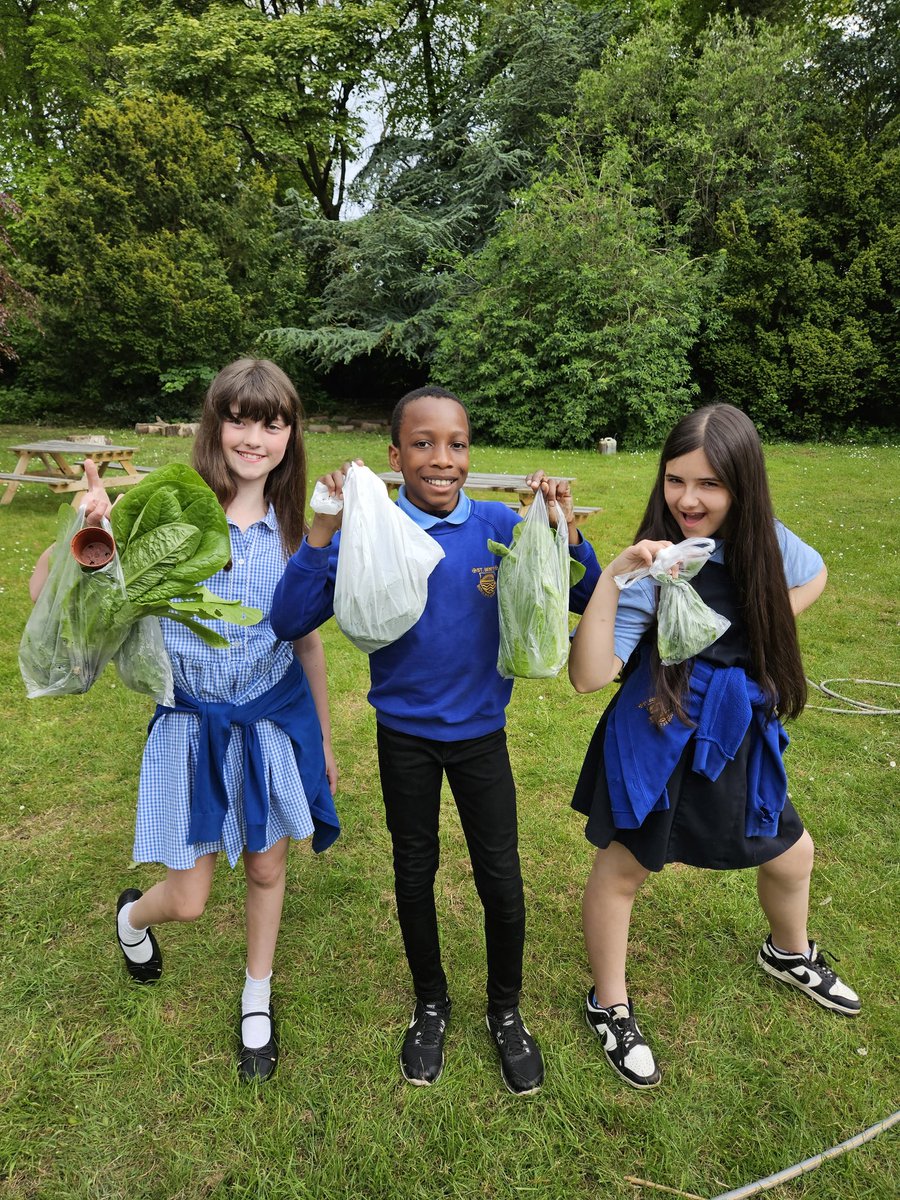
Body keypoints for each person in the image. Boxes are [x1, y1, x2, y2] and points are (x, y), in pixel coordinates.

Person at [270, 385, 600, 1095]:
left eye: (456, 444)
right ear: (395, 456)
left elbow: (584, 593)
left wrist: (560, 528)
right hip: (405, 740)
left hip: (483, 737)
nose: (441, 459)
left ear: (469, 453)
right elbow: (290, 617)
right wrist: (323, 532)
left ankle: (505, 1012)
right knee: (414, 874)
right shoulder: (373, 533)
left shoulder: (495, 526)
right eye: (422, 444)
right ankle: (430, 1004)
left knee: (501, 880)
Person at [31, 358, 340, 1084]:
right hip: (191, 724)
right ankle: (132, 919)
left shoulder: (296, 532)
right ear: (216, 424)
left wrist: (322, 736)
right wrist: (90, 528)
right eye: (240, 418)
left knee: (268, 864)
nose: (254, 436)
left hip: (268, 720)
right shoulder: (168, 508)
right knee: (192, 898)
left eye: (272, 422)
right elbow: (50, 581)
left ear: (291, 435)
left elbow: (308, 640)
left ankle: (256, 995)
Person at [568, 403, 860, 1091]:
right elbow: (588, 676)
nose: (688, 500)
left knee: (792, 851)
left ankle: (787, 952)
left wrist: (768, 621)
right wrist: (615, 575)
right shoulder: (656, 563)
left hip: (735, 732)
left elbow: (813, 572)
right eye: (675, 480)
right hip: (658, 732)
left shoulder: (766, 543)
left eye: (709, 484)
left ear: (743, 487)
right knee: (624, 870)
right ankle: (608, 1004)